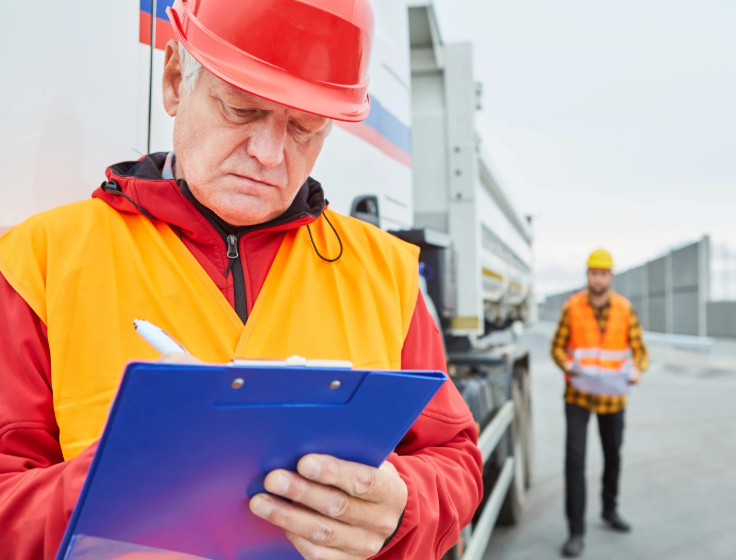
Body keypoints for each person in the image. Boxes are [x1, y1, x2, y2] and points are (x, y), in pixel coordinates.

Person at [0, 1, 483, 558]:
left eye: (304, 127)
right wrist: (118, 484)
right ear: (176, 80)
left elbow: (454, 457)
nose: (269, 154)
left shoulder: (386, 274)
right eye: (242, 109)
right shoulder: (39, 263)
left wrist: (403, 508)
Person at [550, 249, 649, 558]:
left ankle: (609, 509)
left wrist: (637, 370)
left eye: (603, 274)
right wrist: (566, 364)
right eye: (594, 273)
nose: (598, 279)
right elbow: (557, 348)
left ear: (611, 277)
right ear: (588, 275)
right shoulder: (572, 307)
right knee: (575, 460)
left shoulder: (624, 309)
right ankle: (575, 531)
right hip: (578, 395)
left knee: (613, 455)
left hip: (613, 397)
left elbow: (640, 351)